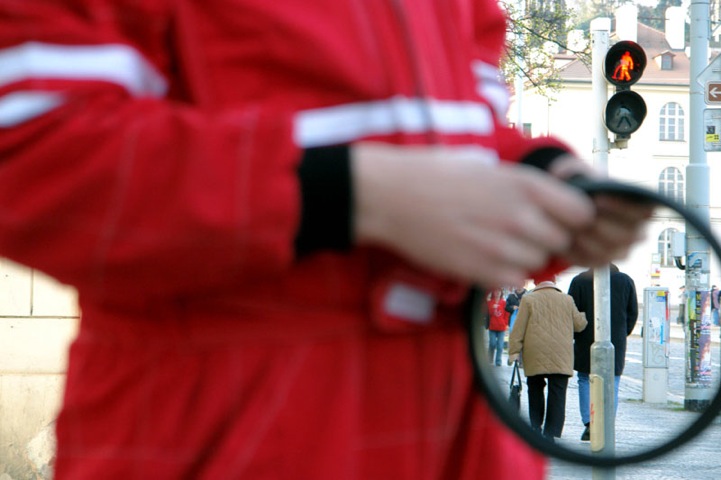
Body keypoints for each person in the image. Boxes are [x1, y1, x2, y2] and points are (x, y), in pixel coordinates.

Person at [0, 2, 652, 479]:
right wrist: (355, 194)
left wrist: (542, 178)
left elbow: (463, 125)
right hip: (223, 428)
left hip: (446, 428)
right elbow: (30, 147)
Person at [507, 278, 587, 443]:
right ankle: (551, 433)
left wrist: (514, 351)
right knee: (558, 392)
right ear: (555, 282)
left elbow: (518, 328)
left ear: (536, 283)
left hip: (535, 351)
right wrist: (584, 315)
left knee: (535, 388)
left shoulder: (528, 299)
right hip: (561, 352)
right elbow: (579, 325)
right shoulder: (567, 299)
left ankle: (536, 427)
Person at [568, 264, 638, 442]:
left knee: (585, 379)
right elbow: (632, 313)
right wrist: (621, 333)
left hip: (585, 340)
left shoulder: (579, 281)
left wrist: (578, 334)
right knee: (612, 380)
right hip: (615, 341)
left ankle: (589, 423)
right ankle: (607, 424)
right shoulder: (625, 281)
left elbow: (571, 313)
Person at [486, 288, 510, 366]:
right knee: (492, 343)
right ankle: (490, 359)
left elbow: (507, 314)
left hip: (501, 327)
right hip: (492, 327)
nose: (497, 293)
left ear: (501, 292)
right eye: (495, 291)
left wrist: (505, 323)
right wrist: (492, 308)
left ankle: (498, 361)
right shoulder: (490, 302)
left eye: (499, 291)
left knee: (500, 345)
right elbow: (488, 314)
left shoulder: (504, 303)